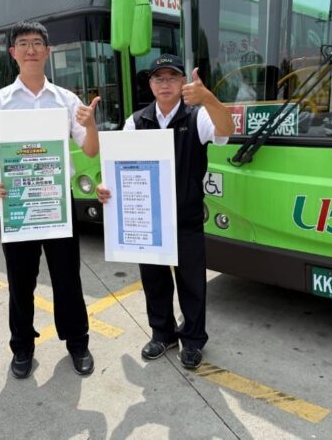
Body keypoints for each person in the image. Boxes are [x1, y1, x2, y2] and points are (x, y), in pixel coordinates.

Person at [0, 20, 99, 379]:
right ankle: (22, 347)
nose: (30, 49)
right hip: (17, 205)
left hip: (57, 203)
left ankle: (77, 341)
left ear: (48, 51)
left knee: (67, 278)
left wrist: (91, 124)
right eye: (23, 43)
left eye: (36, 43)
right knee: (20, 281)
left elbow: (90, 149)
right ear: (12, 53)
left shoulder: (66, 100)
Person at [96, 54, 234, 369]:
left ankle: (193, 340)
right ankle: (163, 334)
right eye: (159, 78)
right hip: (149, 220)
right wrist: (106, 186)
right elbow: (120, 166)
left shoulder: (197, 116)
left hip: (186, 219)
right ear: (150, 84)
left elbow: (226, 131)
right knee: (154, 281)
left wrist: (209, 97)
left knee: (192, 284)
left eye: (172, 77)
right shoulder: (136, 121)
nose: (165, 84)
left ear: (183, 82)